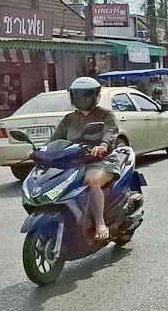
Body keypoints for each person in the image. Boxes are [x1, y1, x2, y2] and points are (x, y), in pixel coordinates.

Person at [48, 77, 120, 241]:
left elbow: (110, 132)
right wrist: (40, 151)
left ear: (95, 95)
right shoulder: (69, 118)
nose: (82, 98)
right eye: (78, 95)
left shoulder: (106, 114)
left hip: (102, 159)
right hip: (75, 161)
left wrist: (103, 145)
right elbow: (55, 140)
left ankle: (100, 223)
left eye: (86, 94)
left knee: (92, 180)